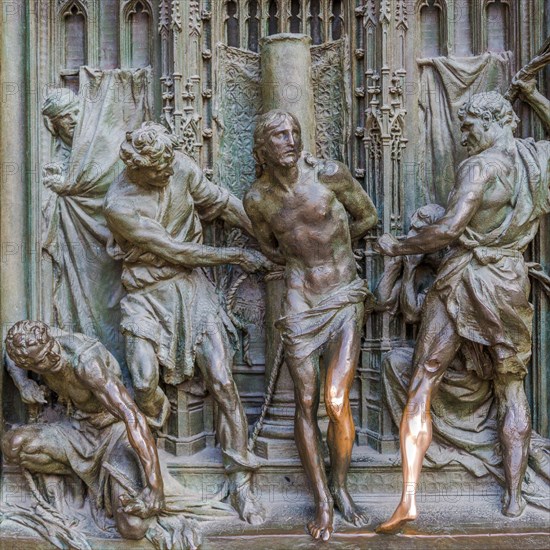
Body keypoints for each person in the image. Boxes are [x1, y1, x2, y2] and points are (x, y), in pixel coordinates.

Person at [375, 88, 550, 533]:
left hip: (464, 278)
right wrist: (532, 95)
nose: (464, 135)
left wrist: (399, 245)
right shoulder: (535, 160)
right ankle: (513, 498)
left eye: (470, 126)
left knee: (422, 381)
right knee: (512, 389)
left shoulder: (479, 166)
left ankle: (408, 497)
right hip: (509, 280)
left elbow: (450, 228)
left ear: (494, 122)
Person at [104, 121, 270, 524]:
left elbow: (222, 203)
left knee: (222, 379)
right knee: (143, 382)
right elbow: (175, 250)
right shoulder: (120, 205)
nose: (168, 173)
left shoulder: (176, 165)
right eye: (158, 171)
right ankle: (151, 454)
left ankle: (240, 481)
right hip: (146, 293)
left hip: (190, 291)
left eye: (168, 166)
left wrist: (268, 239)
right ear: (137, 169)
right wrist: (235, 257)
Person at [244, 110, 378, 540]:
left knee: (336, 398)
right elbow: (269, 247)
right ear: (262, 148)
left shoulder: (330, 174)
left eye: (294, 132)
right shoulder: (257, 200)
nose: (290, 140)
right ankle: (322, 499)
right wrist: (304, 263)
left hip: (341, 294)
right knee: (305, 401)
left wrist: (334, 248)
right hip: (300, 298)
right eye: (280, 135)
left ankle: (341, 486)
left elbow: (368, 217)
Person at [2, 320, 164, 540]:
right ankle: (83, 476)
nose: (52, 358)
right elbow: (10, 351)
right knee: (13, 446)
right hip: (78, 431)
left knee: (132, 527)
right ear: (30, 364)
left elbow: (131, 416)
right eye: (41, 361)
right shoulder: (33, 348)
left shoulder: (86, 363)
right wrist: (24, 385)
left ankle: (100, 480)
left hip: (115, 432)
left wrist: (155, 485)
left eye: (51, 349)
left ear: (50, 338)